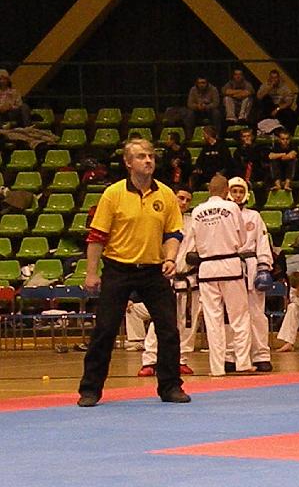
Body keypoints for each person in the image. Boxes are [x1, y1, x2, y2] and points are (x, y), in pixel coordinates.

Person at [77, 138, 190, 407]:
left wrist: (170, 258)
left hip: (153, 269)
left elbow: (173, 233)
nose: (148, 160)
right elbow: (97, 237)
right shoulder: (113, 194)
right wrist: (91, 273)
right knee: (105, 330)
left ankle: (171, 386)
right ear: (128, 163)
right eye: (141, 156)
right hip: (118, 268)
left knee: (168, 329)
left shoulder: (166, 194)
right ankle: (90, 389)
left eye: (151, 156)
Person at [183, 175, 254, 376]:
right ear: (226, 191)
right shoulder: (231, 208)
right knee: (239, 316)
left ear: (209, 190)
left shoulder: (197, 211)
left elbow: (193, 241)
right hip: (230, 265)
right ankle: (243, 362)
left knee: (212, 319)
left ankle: (216, 368)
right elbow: (242, 238)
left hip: (206, 268)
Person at [136, 185, 201, 377]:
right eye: (181, 198)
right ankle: (150, 360)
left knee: (188, 322)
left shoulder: (194, 222)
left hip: (189, 278)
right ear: (172, 197)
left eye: (188, 200)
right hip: (165, 277)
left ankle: (181, 359)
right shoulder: (159, 218)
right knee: (160, 320)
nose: (184, 202)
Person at [225, 177, 274, 372]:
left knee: (256, 314)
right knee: (232, 314)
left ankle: (261, 354)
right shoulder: (223, 215)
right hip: (230, 264)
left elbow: (262, 242)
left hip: (252, 265)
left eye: (240, 191)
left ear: (246, 194)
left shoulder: (254, 216)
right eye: (234, 191)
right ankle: (231, 355)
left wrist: (264, 266)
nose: (237, 195)